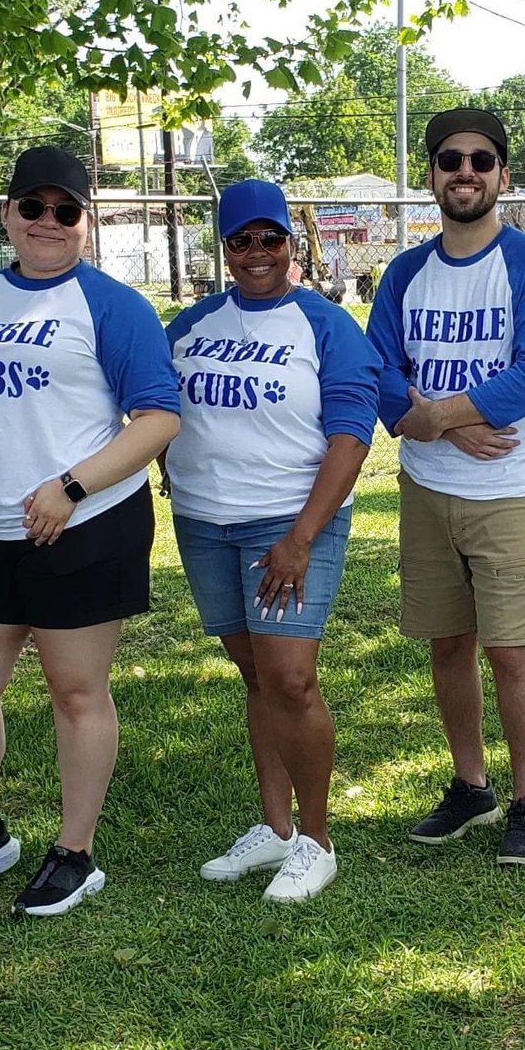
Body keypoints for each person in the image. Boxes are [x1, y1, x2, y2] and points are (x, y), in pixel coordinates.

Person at [0, 146, 179, 916]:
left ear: (86, 223)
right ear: (7, 215)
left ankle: (75, 850)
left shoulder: (111, 304)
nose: (48, 223)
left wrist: (71, 486)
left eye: (66, 211)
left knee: (75, 690)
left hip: (85, 530)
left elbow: (159, 415)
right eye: (33, 207)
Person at [164, 179, 380, 902]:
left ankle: (317, 841)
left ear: (294, 243)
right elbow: (153, 409)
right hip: (203, 523)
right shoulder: (190, 324)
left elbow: (352, 435)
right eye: (240, 240)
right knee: (255, 674)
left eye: (271, 238)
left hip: (289, 522)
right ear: (223, 247)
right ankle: (275, 829)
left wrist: (301, 536)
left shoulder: (325, 325)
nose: (256, 253)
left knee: (291, 678)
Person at [366, 108, 525, 867]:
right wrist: (446, 428)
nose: (466, 172)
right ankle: (470, 784)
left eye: (482, 161)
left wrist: (435, 413)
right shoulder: (405, 272)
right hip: (427, 484)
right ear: (431, 176)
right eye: (450, 159)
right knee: (447, 643)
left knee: (512, 650)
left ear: (503, 177)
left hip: (506, 487)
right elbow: (379, 369)